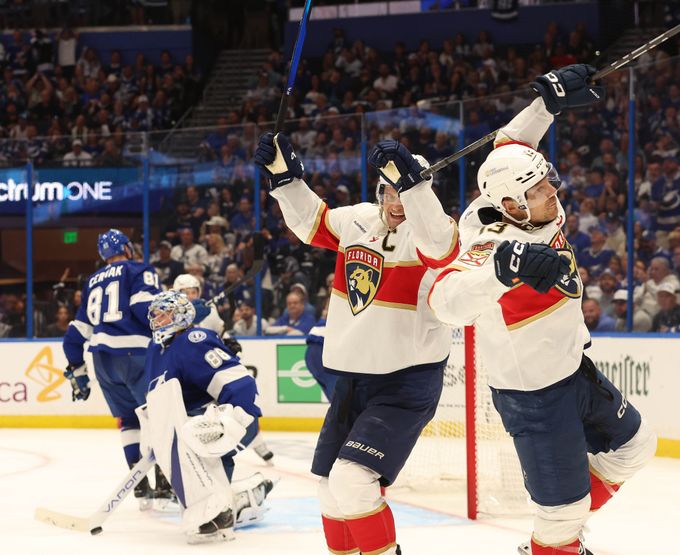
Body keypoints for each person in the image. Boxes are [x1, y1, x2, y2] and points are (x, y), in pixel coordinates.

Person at [427, 64, 656, 555]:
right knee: (562, 515)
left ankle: (551, 541)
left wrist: (547, 102)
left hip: (575, 372)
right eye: (539, 190)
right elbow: (443, 301)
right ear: (511, 205)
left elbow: (508, 144)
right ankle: (556, 539)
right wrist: (500, 272)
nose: (554, 193)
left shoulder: (533, 202)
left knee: (635, 446)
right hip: (533, 396)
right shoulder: (489, 242)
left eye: (549, 182)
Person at [255, 128, 459, 555]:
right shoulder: (358, 220)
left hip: (406, 382)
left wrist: (414, 184)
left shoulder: (434, 234)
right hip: (354, 380)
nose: (398, 202)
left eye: (408, 192)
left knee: (353, 479)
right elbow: (312, 221)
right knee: (330, 489)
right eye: (392, 191)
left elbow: (439, 246)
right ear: (380, 190)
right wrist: (285, 179)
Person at [142, 291, 273, 543]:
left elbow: (238, 382)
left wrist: (233, 420)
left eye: (163, 314)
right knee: (191, 485)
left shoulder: (192, 340)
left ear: (181, 315)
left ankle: (220, 513)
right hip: (185, 427)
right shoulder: (156, 349)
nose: (157, 320)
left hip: (218, 423)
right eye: (155, 316)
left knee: (196, 439)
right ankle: (243, 497)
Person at [61, 229, 162, 507]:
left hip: (103, 362)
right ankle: (166, 484)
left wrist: (78, 370)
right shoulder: (140, 269)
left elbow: (74, 336)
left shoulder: (92, 281)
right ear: (128, 249)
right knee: (161, 417)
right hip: (136, 357)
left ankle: (140, 487)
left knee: (129, 421)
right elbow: (145, 309)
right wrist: (175, 313)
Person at [172, 273, 274, 464]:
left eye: (193, 291)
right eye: (185, 292)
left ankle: (256, 443)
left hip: (207, 369)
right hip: (188, 373)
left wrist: (227, 344)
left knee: (239, 405)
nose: (191, 296)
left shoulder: (208, 311)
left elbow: (218, 337)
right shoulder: (170, 313)